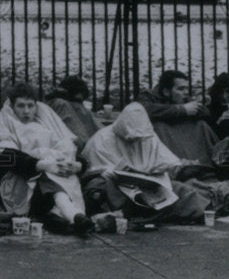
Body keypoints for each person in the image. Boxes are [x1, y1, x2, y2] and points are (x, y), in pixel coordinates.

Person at [0, 82, 94, 235]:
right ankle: (73, 214)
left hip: (44, 186)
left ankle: (65, 217)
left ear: (36, 106)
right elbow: (6, 157)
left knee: (52, 174)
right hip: (14, 183)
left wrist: (78, 165)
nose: (26, 111)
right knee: (46, 175)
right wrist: (42, 164)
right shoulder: (6, 124)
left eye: (30, 105)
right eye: (20, 106)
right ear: (12, 107)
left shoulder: (45, 126)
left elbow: (69, 151)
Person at [81, 103, 209, 224]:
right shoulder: (102, 139)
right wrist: (117, 173)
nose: (136, 142)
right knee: (99, 188)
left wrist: (169, 167)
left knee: (182, 191)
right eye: (132, 139)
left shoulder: (147, 136)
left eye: (139, 139)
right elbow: (92, 171)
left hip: (150, 185)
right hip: (118, 187)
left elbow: (166, 162)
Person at [137, 70, 219, 166]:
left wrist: (197, 107)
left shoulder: (182, 97)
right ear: (166, 91)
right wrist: (182, 109)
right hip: (162, 136)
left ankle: (215, 160)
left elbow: (204, 112)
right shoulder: (148, 96)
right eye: (181, 89)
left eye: (186, 88)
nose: (185, 92)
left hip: (178, 134)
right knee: (159, 126)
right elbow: (145, 109)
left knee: (201, 125)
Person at [45, 75, 102, 151]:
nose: (79, 105)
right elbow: (80, 140)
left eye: (80, 102)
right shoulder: (61, 104)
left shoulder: (82, 110)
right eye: (76, 101)